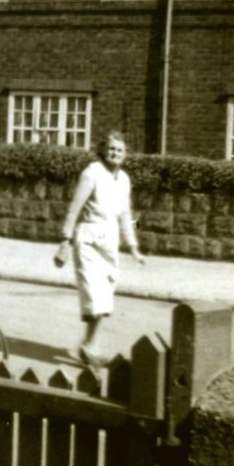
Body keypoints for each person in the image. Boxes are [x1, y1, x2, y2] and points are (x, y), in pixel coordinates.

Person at [60, 130, 145, 366]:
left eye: (119, 150)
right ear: (103, 151)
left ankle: (86, 347)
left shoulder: (125, 179)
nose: (115, 153)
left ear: (125, 154)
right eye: (111, 149)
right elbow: (74, 208)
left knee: (104, 300)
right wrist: (65, 238)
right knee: (94, 298)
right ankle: (87, 348)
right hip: (88, 240)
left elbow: (127, 214)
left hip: (110, 243)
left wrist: (133, 246)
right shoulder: (91, 173)